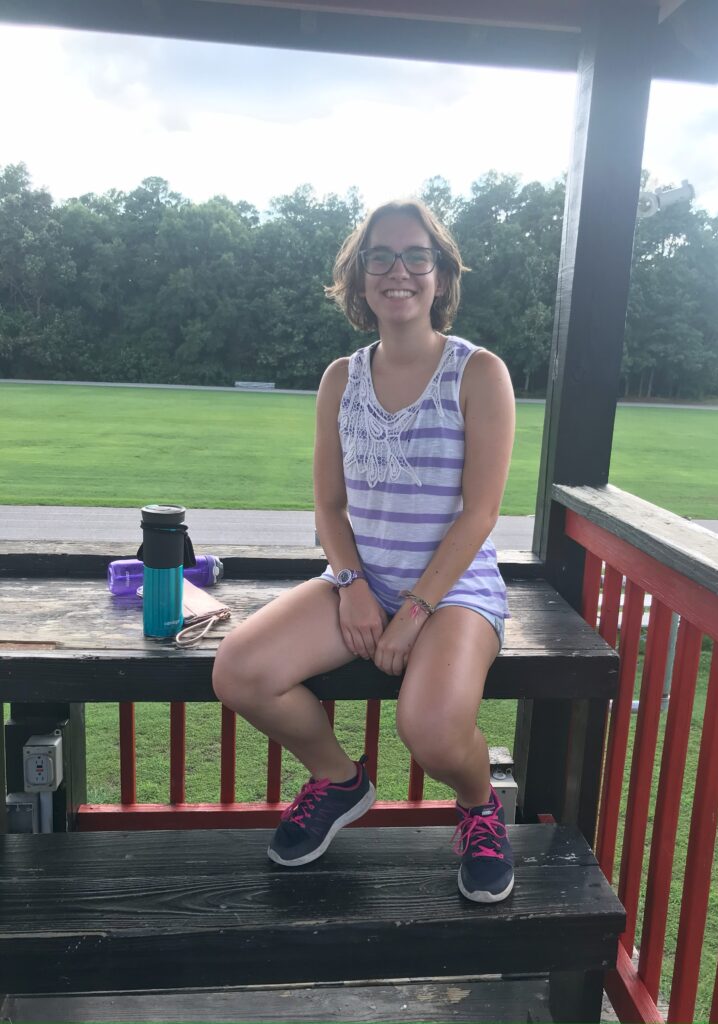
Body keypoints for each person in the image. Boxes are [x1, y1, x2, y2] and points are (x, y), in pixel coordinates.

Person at [212, 199, 516, 903]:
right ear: (360, 275)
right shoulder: (340, 379)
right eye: (380, 256)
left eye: (418, 257)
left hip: (453, 591)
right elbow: (329, 505)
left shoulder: (478, 373)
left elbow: (480, 513)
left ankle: (478, 804)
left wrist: (413, 610)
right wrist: (349, 581)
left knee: (434, 731)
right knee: (240, 670)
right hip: (362, 578)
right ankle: (339, 779)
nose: (399, 271)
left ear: (440, 274)